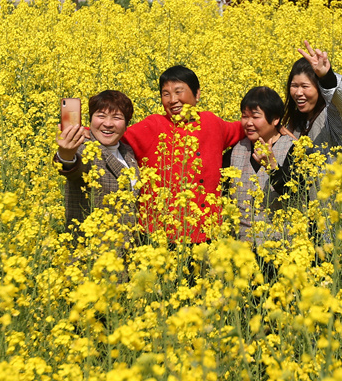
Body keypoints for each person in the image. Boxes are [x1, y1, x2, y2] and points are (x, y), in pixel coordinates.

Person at [120, 65, 245, 244]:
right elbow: (112, 135)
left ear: (197, 94)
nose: (172, 100)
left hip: (206, 233)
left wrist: (281, 127)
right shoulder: (153, 125)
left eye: (179, 92)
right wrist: (78, 132)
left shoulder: (211, 123)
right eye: (166, 94)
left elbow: (248, 127)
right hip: (161, 237)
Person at [226, 86, 305, 249]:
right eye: (244, 116)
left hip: (282, 251)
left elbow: (298, 197)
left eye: (255, 117)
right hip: (241, 252)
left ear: (275, 119)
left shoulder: (293, 149)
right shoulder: (236, 150)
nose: (248, 123)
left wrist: (273, 168)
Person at [54, 90, 139, 241]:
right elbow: (74, 167)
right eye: (101, 116)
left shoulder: (127, 152)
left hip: (127, 253)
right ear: (91, 120)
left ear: (127, 125)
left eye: (117, 117)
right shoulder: (85, 148)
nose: (108, 123)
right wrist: (66, 154)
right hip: (91, 253)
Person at [281, 41, 342, 158]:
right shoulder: (294, 122)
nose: (299, 93)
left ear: (319, 88)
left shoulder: (331, 116)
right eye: (294, 86)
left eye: (305, 86)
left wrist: (327, 78)